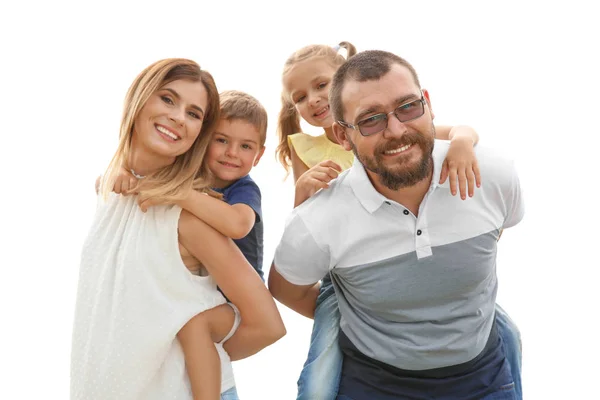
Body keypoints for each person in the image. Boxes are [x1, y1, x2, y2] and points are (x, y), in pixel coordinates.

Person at [269, 50, 524, 399]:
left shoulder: (491, 174)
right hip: (373, 381)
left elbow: (495, 229)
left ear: (428, 105)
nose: (396, 129)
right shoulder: (319, 215)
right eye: (371, 120)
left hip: (483, 375)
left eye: (408, 107)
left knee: (509, 336)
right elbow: (288, 284)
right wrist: (362, 316)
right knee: (315, 382)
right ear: (344, 135)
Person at [71, 58, 285, 400]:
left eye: (194, 113)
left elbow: (267, 325)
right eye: (168, 99)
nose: (177, 117)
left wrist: (201, 360)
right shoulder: (113, 198)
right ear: (139, 99)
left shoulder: (192, 213)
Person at [120, 90, 268, 286]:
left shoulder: (244, 188)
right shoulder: (190, 174)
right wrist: (122, 172)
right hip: (195, 285)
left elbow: (238, 224)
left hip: (236, 296)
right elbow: (138, 173)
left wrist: (177, 194)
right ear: (203, 139)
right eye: (221, 140)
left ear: (258, 155)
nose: (232, 153)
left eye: (246, 147)